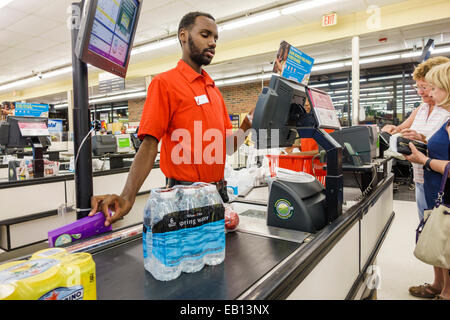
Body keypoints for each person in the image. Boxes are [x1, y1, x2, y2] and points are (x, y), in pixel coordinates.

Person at [89, 12, 254, 226]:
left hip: (216, 196)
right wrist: (128, 197)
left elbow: (227, 147)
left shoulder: (213, 90)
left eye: (215, 38)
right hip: (184, 199)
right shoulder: (165, 83)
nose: (212, 42)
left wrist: (247, 125)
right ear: (183, 35)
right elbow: (149, 145)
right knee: (191, 258)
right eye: (205, 34)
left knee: (221, 258)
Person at [382, 56, 450, 222]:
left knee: (439, 232)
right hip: (422, 179)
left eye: (427, 87)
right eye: (418, 87)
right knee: (426, 225)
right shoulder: (421, 108)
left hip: (441, 182)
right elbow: (400, 128)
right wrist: (393, 129)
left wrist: (423, 148)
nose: (422, 92)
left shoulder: (446, 111)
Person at [405, 61, 450, 300]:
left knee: (445, 236)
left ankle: (447, 292)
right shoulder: (429, 111)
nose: (428, 92)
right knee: (434, 233)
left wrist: (424, 160)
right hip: (431, 184)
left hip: (443, 186)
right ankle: (438, 285)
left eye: (432, 87)